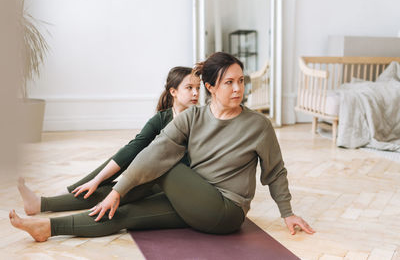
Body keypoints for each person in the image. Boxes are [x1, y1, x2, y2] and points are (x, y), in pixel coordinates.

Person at [10, 52, 315, 242]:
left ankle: (48, 204)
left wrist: (287, 213)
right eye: (228, 82)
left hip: (225, 211)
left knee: (162, 165)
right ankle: (46, 228)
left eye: (241, 81)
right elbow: (154, 149)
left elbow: (275, 172)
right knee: (125, 213)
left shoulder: (257, 125)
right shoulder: (193, 117)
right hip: (192, 201)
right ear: (210, 87)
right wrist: (118, 194)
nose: (238, 89)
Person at [16, 66, 200, 216]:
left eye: (198, 88)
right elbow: (131, 150)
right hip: (157, 178)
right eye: (189, 88)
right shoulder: (161, 119)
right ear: (173, 91)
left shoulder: (200, 118)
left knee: (127, 188)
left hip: (179, 182)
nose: (195, 93)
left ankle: (53, 199)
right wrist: (96, 180)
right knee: (125, 167)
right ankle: (43, 202)